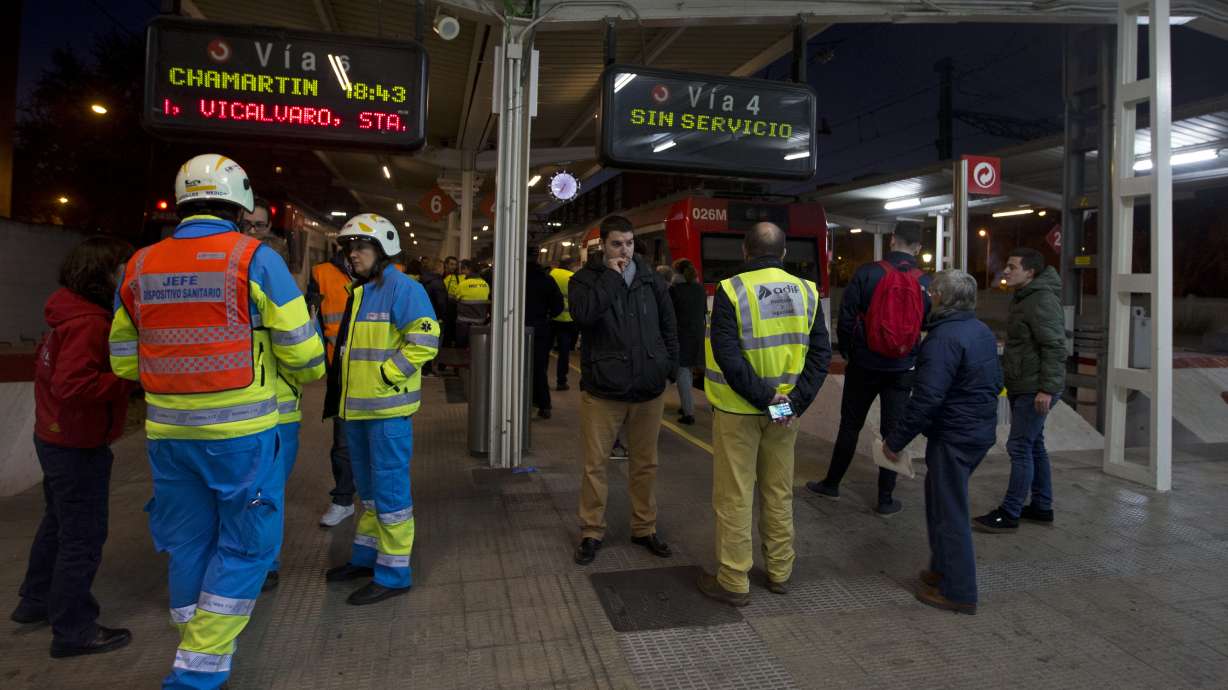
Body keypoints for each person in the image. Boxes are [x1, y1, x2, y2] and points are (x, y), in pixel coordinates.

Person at [110, 154, 325, 689]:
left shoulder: (139, 266)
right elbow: (303, 351)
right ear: (240, 205)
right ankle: (197, 668)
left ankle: (195, 638)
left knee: (187, 543)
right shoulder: (253, 259)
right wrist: (305, 371)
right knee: (247, 545)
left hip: (166, 436)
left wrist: (176, 381)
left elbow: (121, 357)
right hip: (240, 436)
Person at [12, 236, 135, 658]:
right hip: (77, 443)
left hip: (55, 436)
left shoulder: (66, 313)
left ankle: (35, 600)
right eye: (120, 268)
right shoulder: (90, 324)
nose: (125, 276)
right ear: (101, 274)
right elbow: (74, 385)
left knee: (57, 522)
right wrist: (129, 377)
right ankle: (74, 628)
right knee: (82, 536)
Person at [697, 223, 831, 606]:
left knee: (735, 496)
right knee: (778, 492)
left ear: (745, 251)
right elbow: (821, 355)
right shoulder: (807, 292)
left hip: (738, 410)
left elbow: (728, 355)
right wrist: (790, 404)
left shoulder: (730, 290)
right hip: (785, 415)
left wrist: (766, 399)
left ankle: (734, 580)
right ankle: (780, 572)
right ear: (784, 253)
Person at [322, 213, 439, 606]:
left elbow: (425, 340)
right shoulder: (361, 290)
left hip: (386, 413)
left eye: (360, 247)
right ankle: (367, 559)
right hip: (358, 413)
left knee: (390, 498)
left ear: (383, 250)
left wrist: (388, 376)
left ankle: (393, 574)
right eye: (349, 248)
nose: (352, 254)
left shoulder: (401, 288)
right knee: (369, 496)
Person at [882, 270, 1002, 615]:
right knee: (940, 503)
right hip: (976, 430)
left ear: (939, 297)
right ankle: (940, 570)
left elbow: (927, 398)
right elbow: (995, 381)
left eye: (930, 292)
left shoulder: (942, 338)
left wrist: (896, 440)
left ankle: (959, 591)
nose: (927, 296)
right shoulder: (980, 331)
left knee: (951, 513)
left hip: (954, 435)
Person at [569, 215, 679, 566]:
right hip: (604, 390)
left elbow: (669, 326)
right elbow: (584, 316)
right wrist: (613, 279)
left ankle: (644, 527)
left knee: (646, 464)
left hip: (648, 388)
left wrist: (668, 367)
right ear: (603, 245)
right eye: (617, 243)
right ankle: (591, 531)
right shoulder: (585, 280)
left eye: (629, 243)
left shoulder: (651, 280)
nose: (625, 250)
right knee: (595, 465)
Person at [807, 221, 931, 516]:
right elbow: (926, 325)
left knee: (850, 425)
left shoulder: (868, 272)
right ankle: (885, 499)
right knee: (892, 430)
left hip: (864, 364)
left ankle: (832, 484)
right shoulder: (925, 282)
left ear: (892, 241)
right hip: (902, 368)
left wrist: (852, 354)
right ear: (917, 248)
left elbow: (847, 319)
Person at [243, 203, 326, 592]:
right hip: (272, 410)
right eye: (247, 225)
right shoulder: (272, 275)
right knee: (264, 491)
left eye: (259, 225)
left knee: (248, 492)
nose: (252, 231)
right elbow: (306, 358)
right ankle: (262, 566)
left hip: (232, 412)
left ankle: (248, 562)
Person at [974, 248, 1065, 533]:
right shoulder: (1026, 297)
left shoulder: (1041, 300)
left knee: (1020, 447)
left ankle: (1010, 512)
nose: (1006, 271)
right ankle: (1041, 506)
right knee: (1034, 444)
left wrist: (1047, 389)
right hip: (1024, 382)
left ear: (1031, 272)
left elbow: (1055, 345)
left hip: (1034, 387)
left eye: (1013, 267)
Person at [308, 246, 358, 528]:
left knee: (381, 442)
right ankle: (343, 500)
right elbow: (312, 320)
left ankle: (380, 501)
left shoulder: (393, 274)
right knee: (344, 442)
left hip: (380, 376)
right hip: (341, 373)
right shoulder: (321, 274)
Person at [525, 255, 565, 418]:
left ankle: (516, 403)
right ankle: (543, 404)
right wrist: (547, 316)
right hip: (540, 328)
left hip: (515, 328)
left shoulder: (514, 276)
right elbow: (558, 306)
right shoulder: (547, 280)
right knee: (539, 368)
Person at [669, 258, 707, 425]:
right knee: (690, 371)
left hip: (681, 336)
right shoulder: (700, 289)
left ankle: (688, 413)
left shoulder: (674, 290)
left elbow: (669, 316)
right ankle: (687, 405)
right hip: (698, 335)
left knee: (683, 374)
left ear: (676, 273)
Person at [550, 258, 581, 391]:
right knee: (564, 353)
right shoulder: (572, 277)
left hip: (551, 318)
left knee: (545, 350)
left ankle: (540, 382)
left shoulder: (552, 274)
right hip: (567, 321)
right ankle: (561, 381)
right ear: (570, 266)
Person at [417, 258, 449, 377]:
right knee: (434, 345)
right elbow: (441, 303)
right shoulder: (438, 282)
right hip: (435, 318)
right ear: (438, 268)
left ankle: (422, 369)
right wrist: (443, 317)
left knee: (422, 343)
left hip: (422, 316)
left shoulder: (421, 280)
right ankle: (428, 369)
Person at [453, 259, 491, 349]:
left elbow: (455, 299)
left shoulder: (463, 284)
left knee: (460, 349)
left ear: (468, 269)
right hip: (480, 322)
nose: (462, 272)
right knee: (476, 348)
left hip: (463, 323)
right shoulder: (485, 284)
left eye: (463, 269)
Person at [441, 255, 460, 348]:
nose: (453, 267)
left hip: (452, 307)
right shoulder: (441, 276)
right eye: (451, 264)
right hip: (441, 307)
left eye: (455, 265)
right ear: (446, 265)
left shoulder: (457, 277)